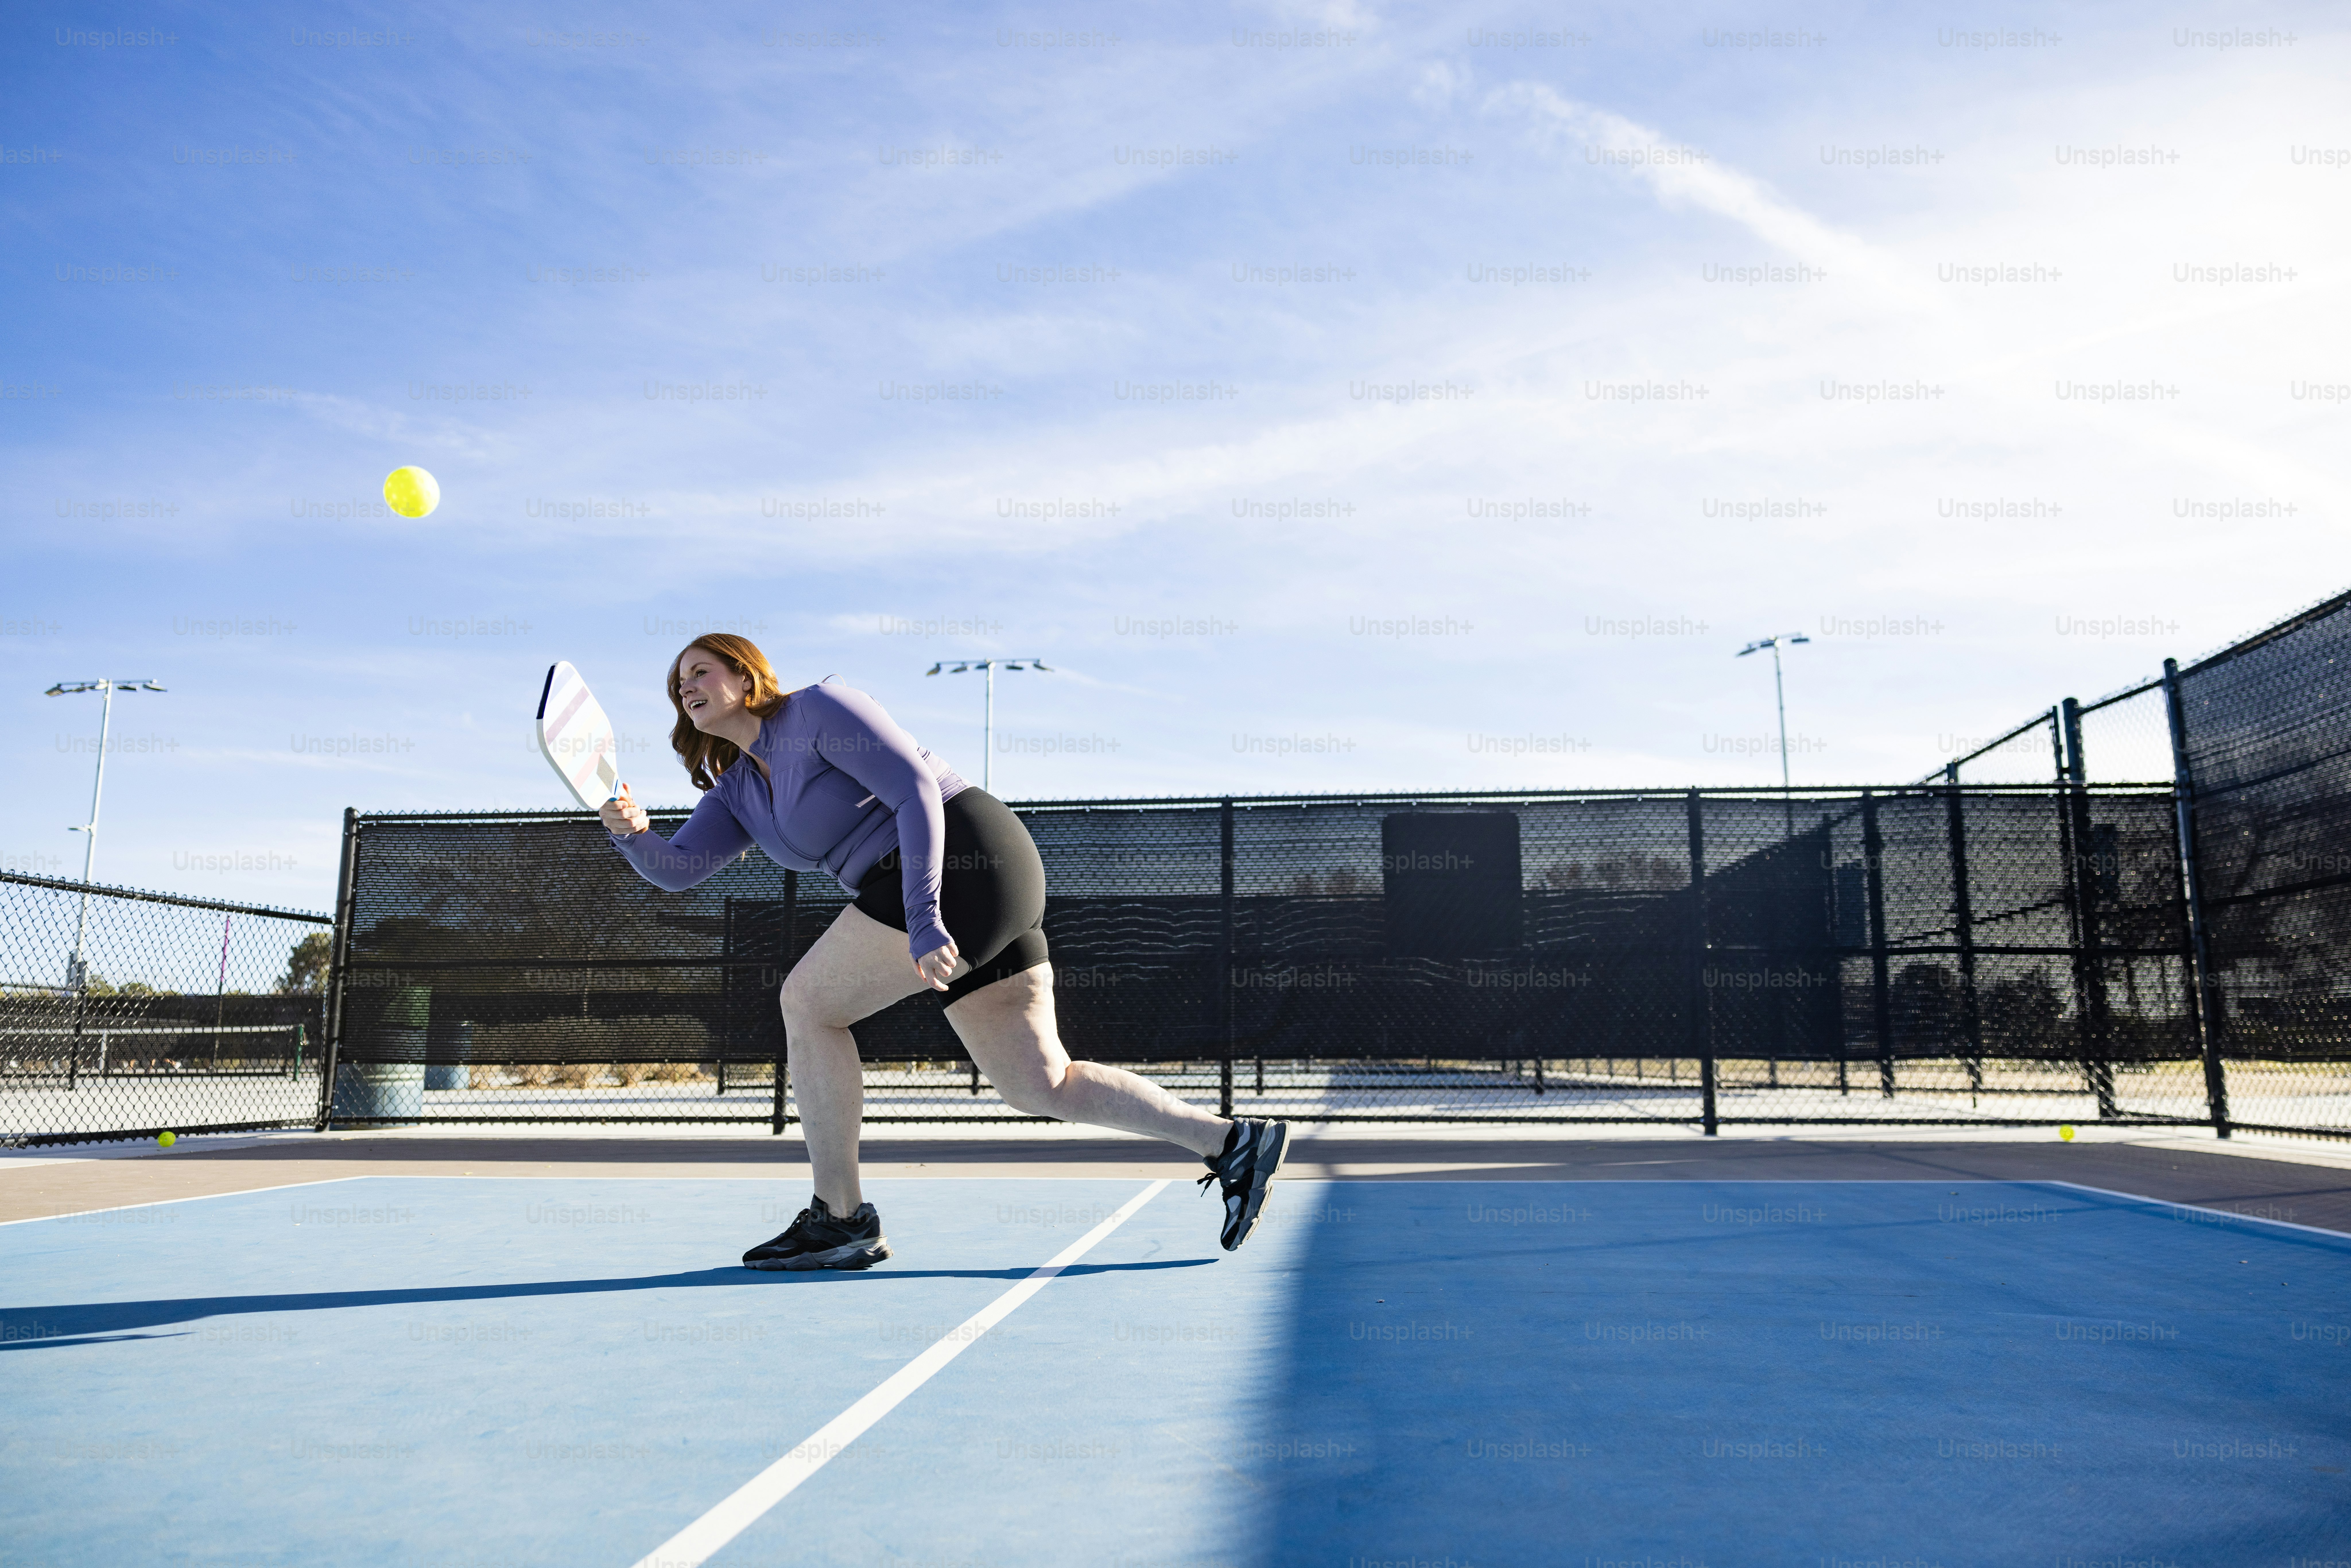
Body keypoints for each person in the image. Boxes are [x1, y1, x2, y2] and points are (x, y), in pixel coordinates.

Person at [600, 635, 1287, 1270]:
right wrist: (631, 832)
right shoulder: (740, 789)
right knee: (1037, 1083)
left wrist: (925, 915)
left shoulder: (818, 708)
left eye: (701, 669)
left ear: (746, 674)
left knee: (809, 1003)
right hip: (930, 885)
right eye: (677, 682)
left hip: (969, 852)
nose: (686, 685)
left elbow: (913, 788)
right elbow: (678, 867)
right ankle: (1231, 1141)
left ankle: (840, 1218)